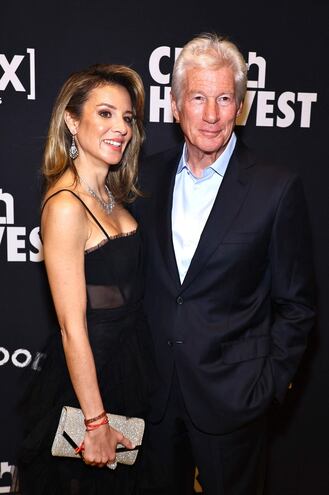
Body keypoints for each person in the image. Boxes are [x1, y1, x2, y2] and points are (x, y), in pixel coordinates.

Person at [133, 33, 315, 495]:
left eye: (224, 98)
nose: (211, 115)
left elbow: (297, 304)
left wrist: (268, 385)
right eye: (197, 97)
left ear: (240, 106)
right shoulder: (143, 177)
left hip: (234, 400)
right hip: (154, 397)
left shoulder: (276, 188)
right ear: (175, 106)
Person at [16, 64, 151, 495]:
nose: (120, 128)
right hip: (89, 385)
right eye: (105, 113)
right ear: (73, 121)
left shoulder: (113, 194)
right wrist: (95, 422)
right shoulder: (66, 206)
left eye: (127, 117)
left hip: (130, 372)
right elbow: (73, 328)